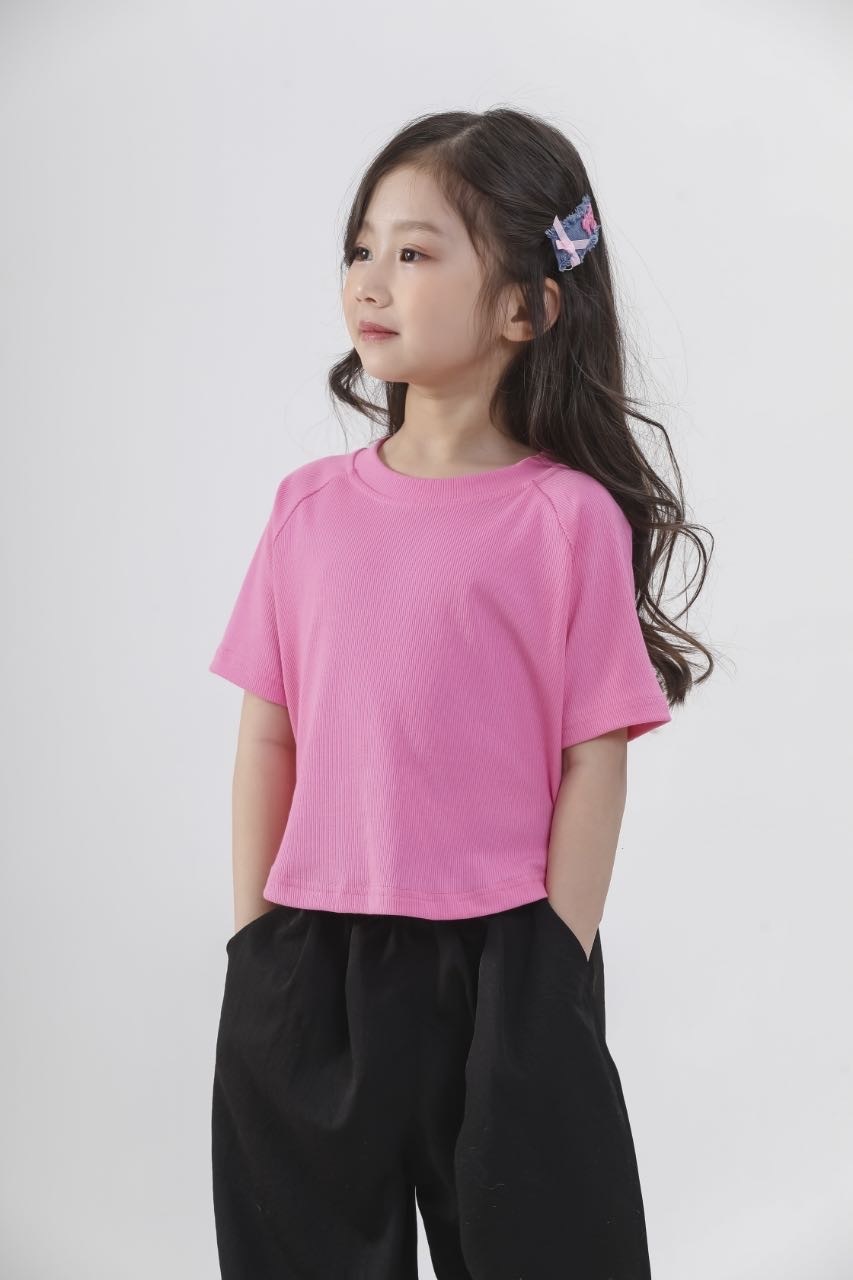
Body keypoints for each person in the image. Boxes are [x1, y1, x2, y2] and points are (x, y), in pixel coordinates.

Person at [208, 106, 715, 1280]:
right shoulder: (306, 508)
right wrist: (254, 942)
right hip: (312, 954)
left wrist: (552, 959)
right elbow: (268, 734)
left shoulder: (565, 519)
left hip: (505, 956)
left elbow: (594, 753)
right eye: (361, 247)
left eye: (414, 251)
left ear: (526, 308)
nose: (369, 278)